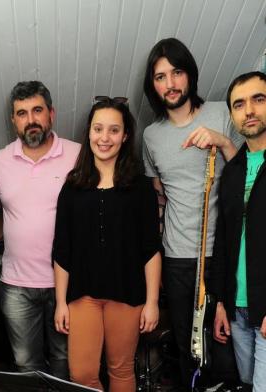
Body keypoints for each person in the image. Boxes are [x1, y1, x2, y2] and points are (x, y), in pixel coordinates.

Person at [142, 37, 243, 390]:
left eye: (177, 72)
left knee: (227, 345)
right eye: (160, 77)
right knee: (189, 347)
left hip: (223, 253)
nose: (170, 84)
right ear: (152, 85)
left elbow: (250, 179)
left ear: (190, 75)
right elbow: (160, 194)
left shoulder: (222, 113)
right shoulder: (151, 136)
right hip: (178, 258)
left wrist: (224, 142)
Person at [53, 96, 161, 391]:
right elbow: (62, 250)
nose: (105, 138)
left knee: (122, 370)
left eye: (114, 130)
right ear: (88, 133)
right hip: (82, 296)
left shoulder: (140, 188)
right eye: (98, 129)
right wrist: (61, 303)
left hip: (127, 296)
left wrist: (152, 302)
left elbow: (151, 249)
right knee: (82, 374)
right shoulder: (72, 187)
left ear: (125, 136)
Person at [0, 81, 80, 378]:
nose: (31, 120)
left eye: (37, 110)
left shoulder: (79, 156)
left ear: (51, 113)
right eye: (22, 113)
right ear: (13, 120)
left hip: (67, 283)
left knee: (65, 362)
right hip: (16, 287)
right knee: (26, 367)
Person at [212, 71, 266, 392]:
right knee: (247, 382)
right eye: (239, 104)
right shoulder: (233, 170)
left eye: (258, 99)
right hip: (237, 310)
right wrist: (221, 303)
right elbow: (224, 241)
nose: (249, 110)